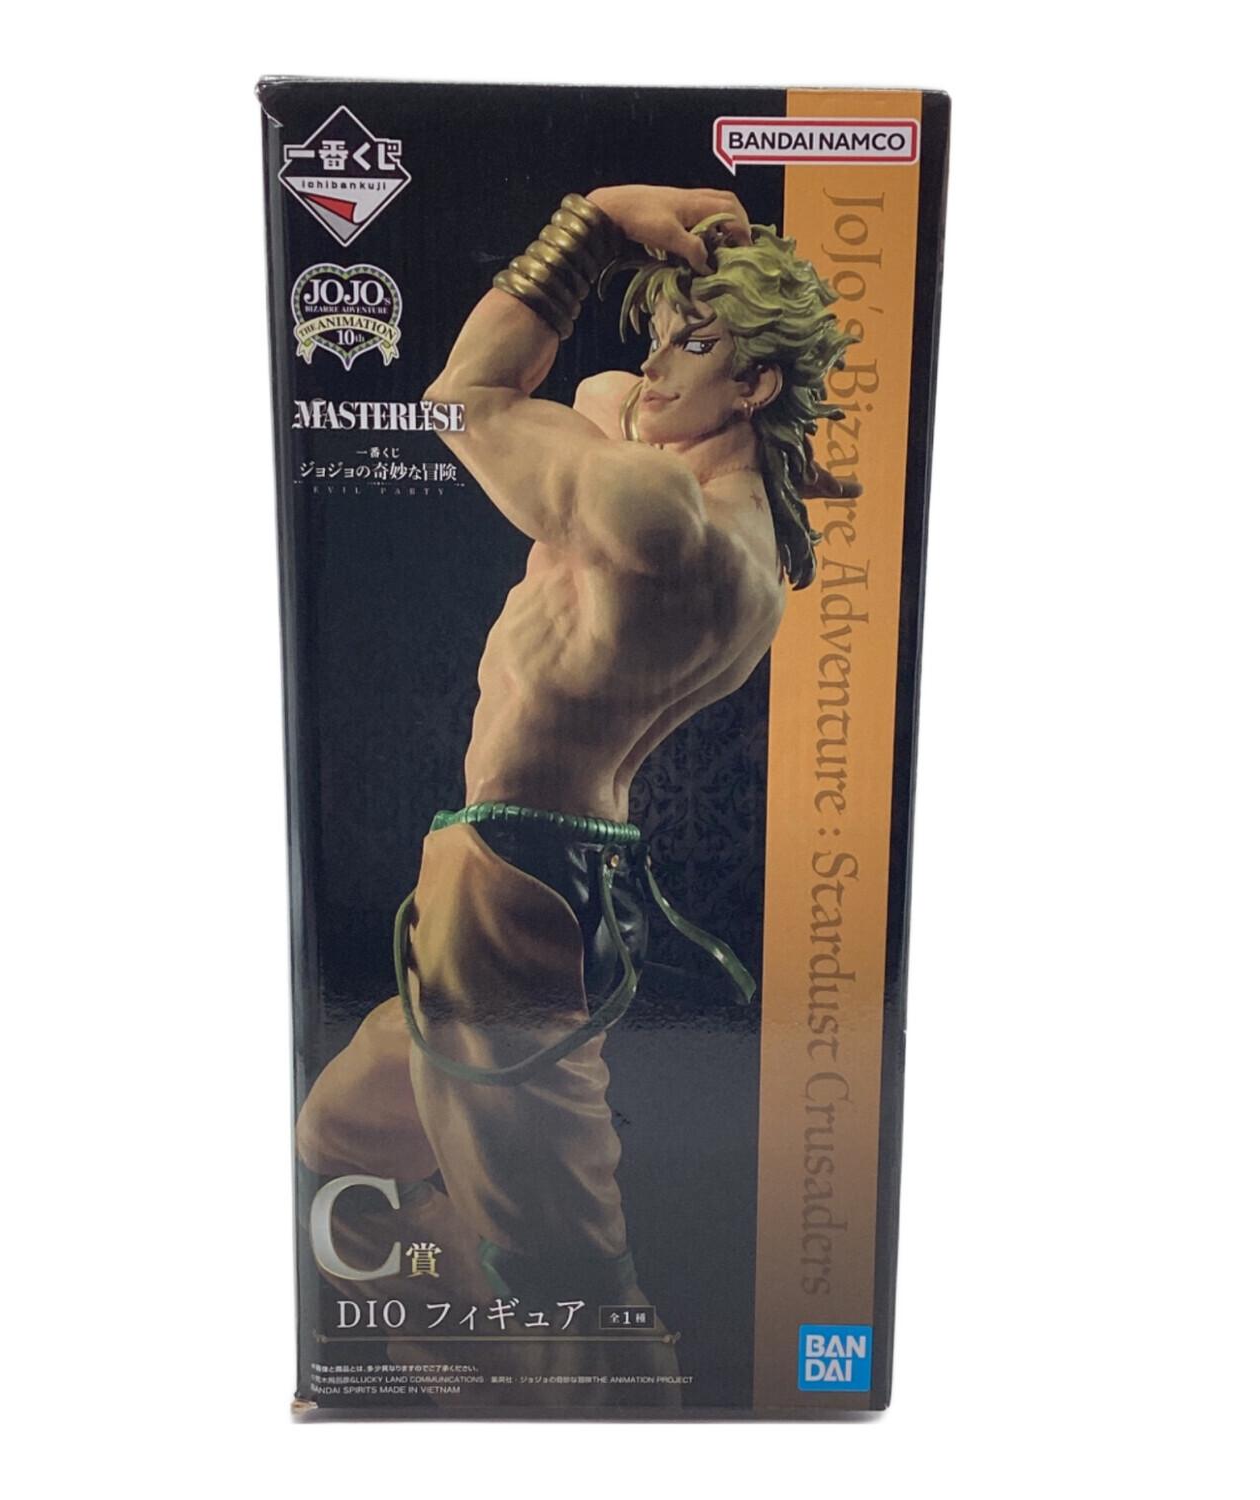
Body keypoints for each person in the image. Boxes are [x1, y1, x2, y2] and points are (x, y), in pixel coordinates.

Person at [296, 185, 855, 1403]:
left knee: (568, 1273)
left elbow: (465, 396)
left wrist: (594, 223)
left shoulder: (648, 511)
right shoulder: (747, 534)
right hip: (559, 868)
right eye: (657, 335)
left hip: (510, 890)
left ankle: (608, 1421)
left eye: (692, 345)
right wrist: (661, 368)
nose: (649, 366)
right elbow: (607, 394)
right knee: (344, 1132)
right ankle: (444, 1366)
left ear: (756, 385)